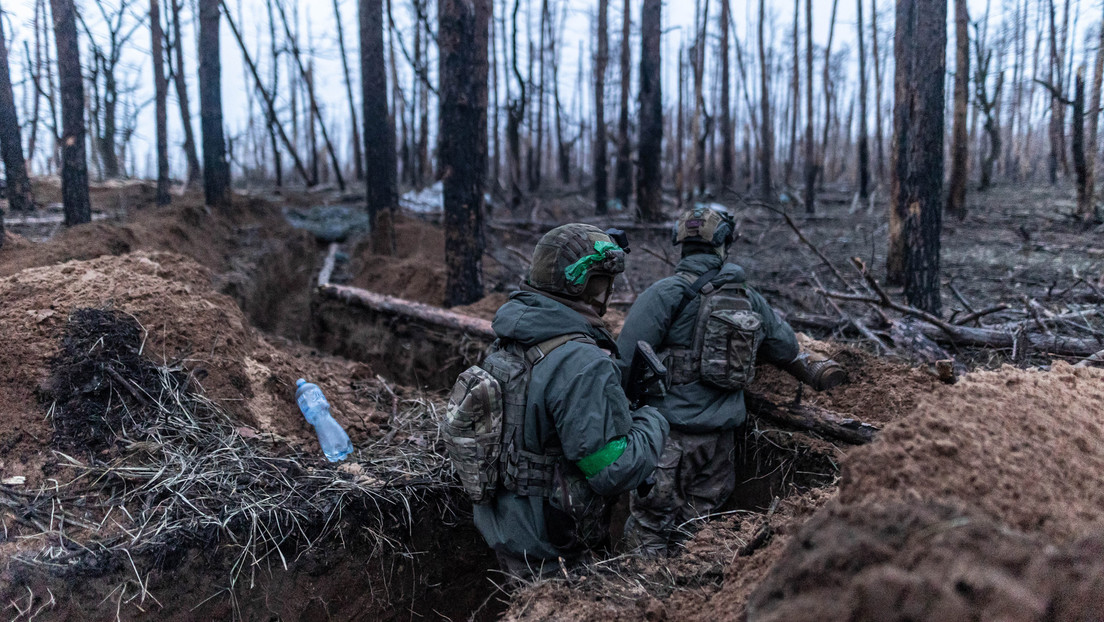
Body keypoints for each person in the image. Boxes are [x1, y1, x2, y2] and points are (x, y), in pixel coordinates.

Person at [618, 205, 845, 555]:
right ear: (725, 244)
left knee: (649, 526)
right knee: (699, 527)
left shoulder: (664, 294)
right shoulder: (748, 298)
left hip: (668, 438)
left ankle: (643, 596)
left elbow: (626, 357)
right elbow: (784, 347)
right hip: (720, 443)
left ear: (681, 243)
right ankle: (691, 598)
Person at [470, 224, 669, 578]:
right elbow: (613, 469)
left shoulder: (512, 335)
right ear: (589, 284)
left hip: (505, 528)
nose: (610, 291)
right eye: (606, 280)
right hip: (553, 547)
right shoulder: (582, 361)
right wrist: (653, 417)